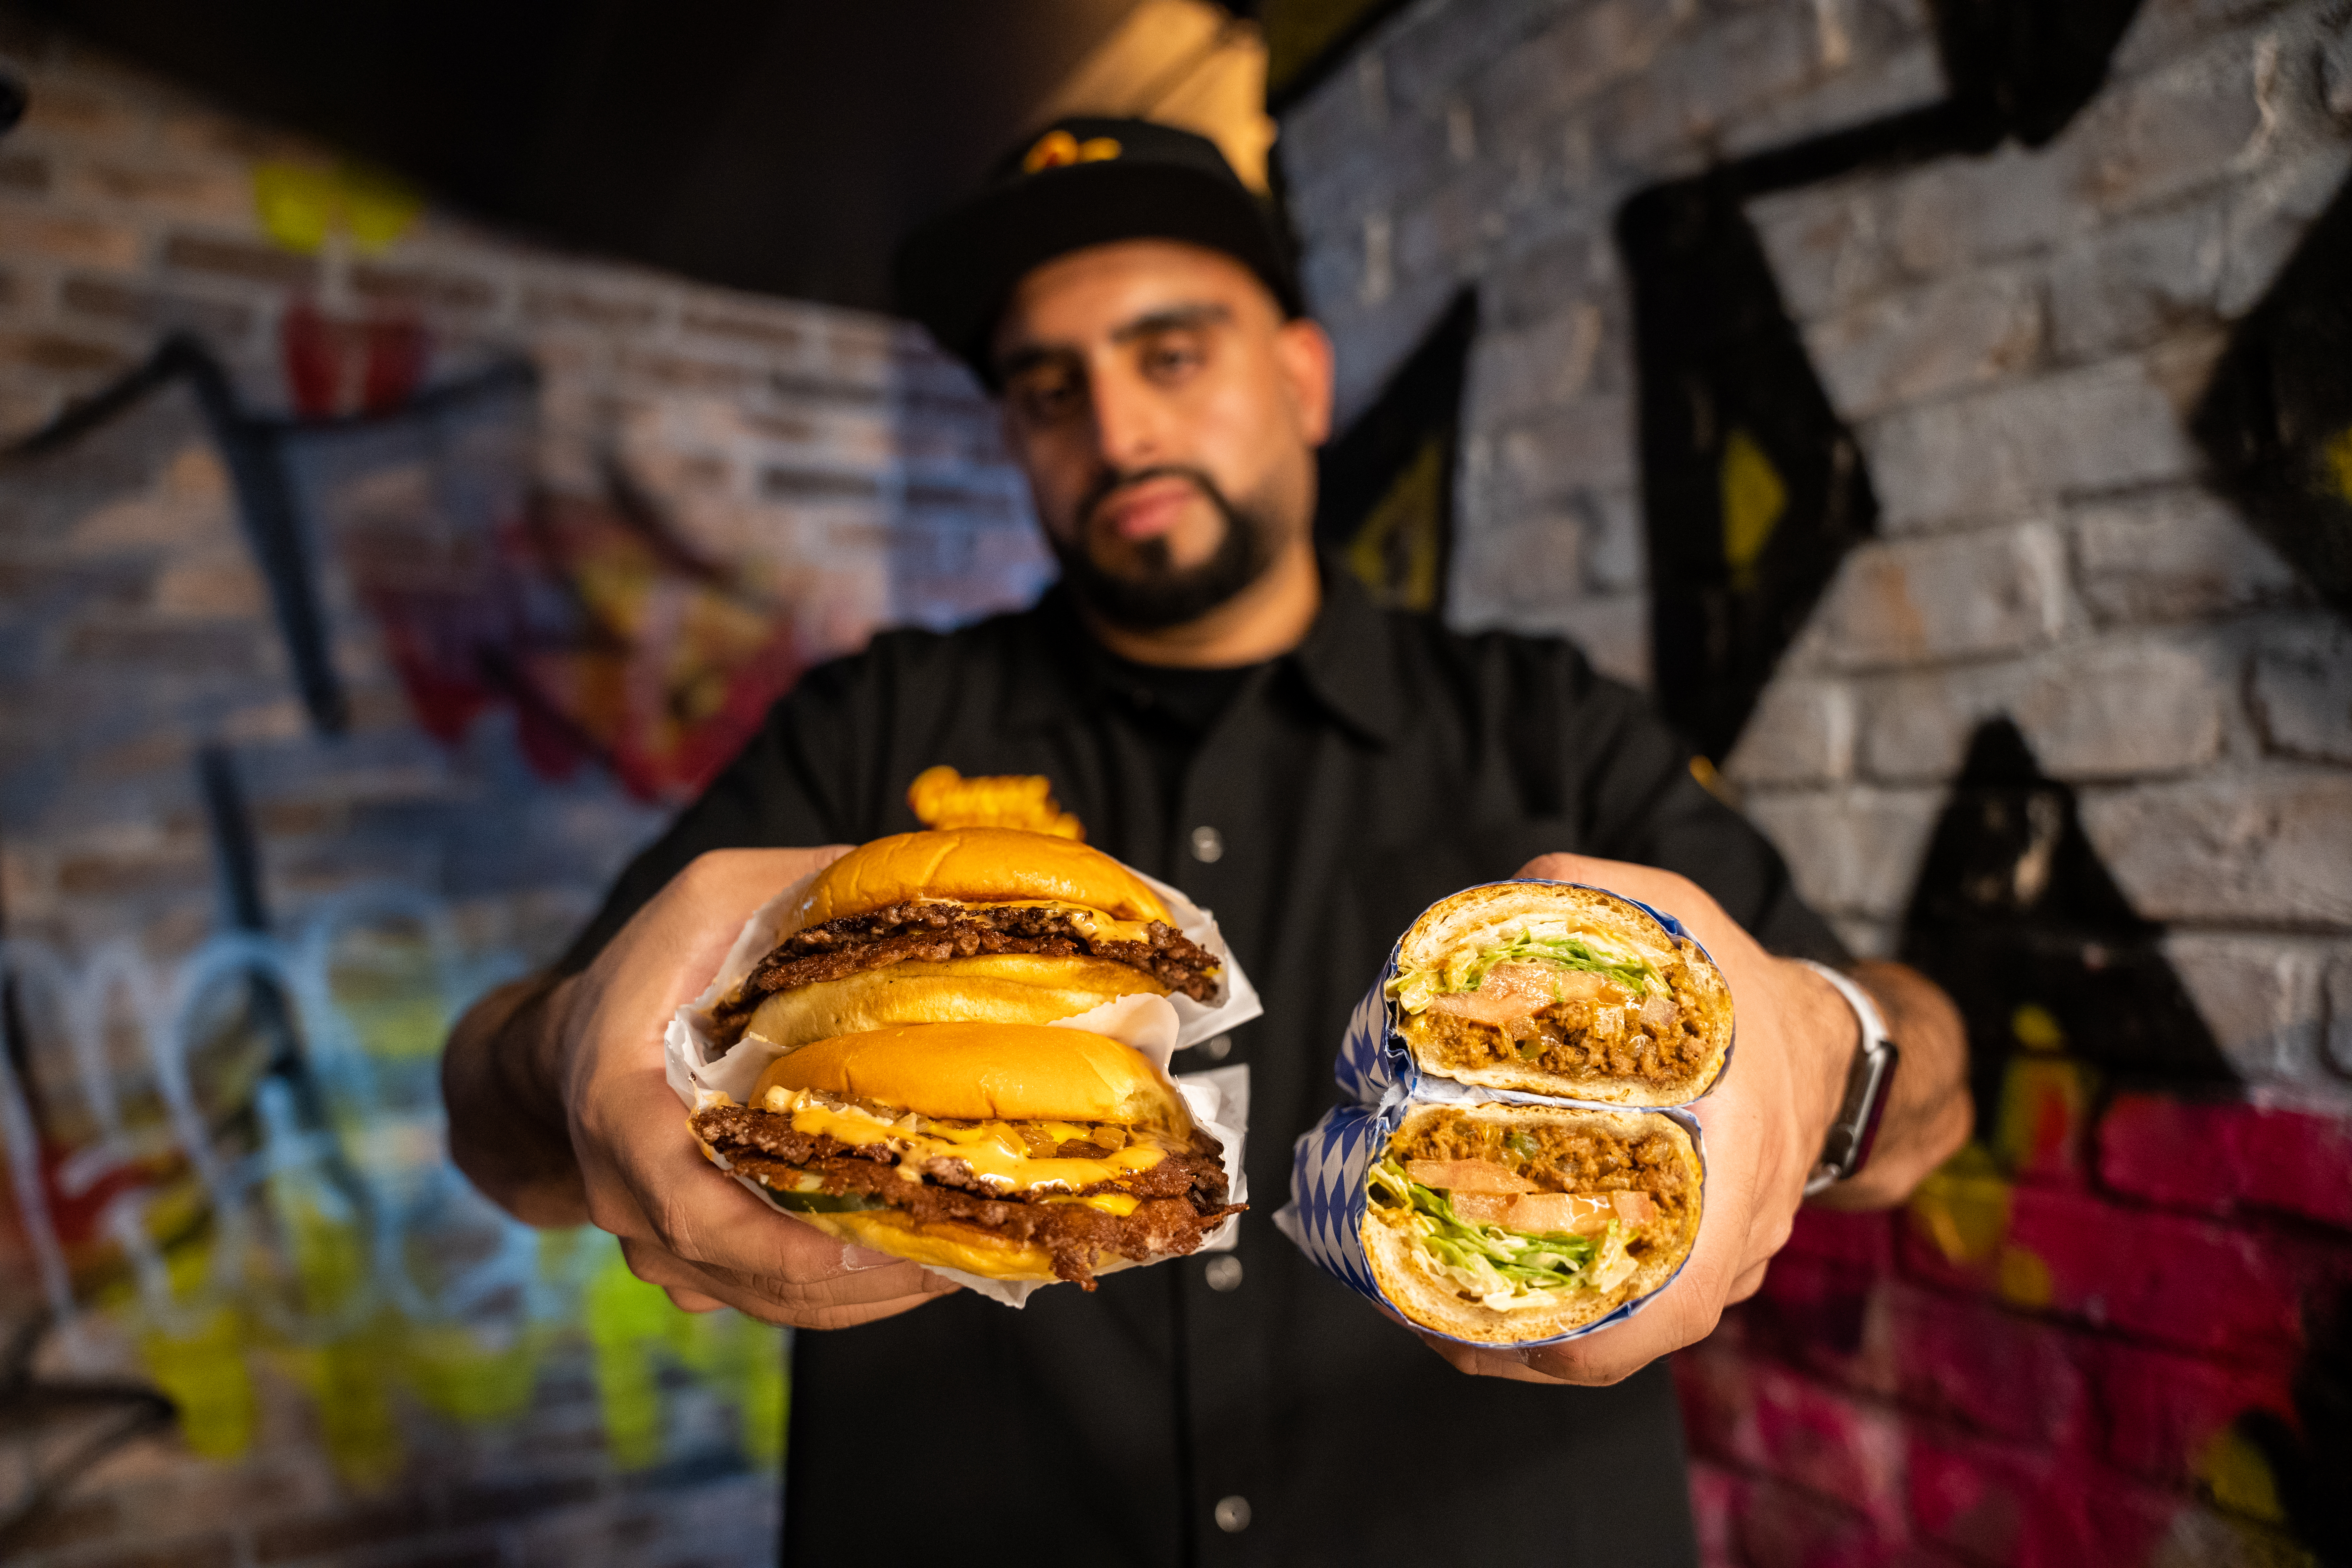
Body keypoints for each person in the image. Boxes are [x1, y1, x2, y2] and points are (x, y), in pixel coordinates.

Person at [442, 118, 1969, 1566]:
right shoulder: (864, 732)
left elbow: (1927, 1106)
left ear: (1305, 380)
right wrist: (568, 1048)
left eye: (1173, 353)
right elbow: (492, 1123)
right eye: (1049, 390)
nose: (1117, 427)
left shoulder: (1547, 726)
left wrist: (1826, 1046)